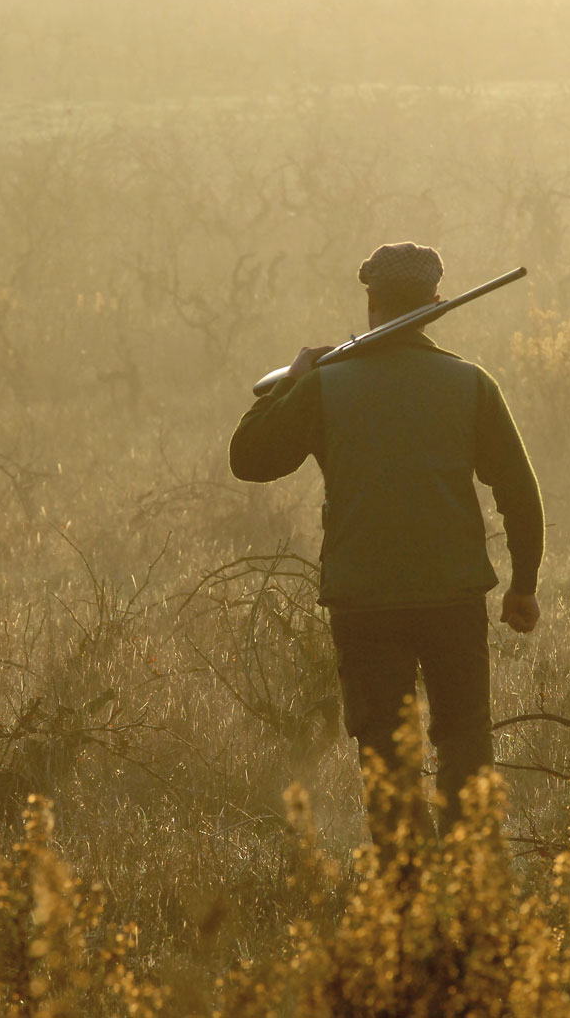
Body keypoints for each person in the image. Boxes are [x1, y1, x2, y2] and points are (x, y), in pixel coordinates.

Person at [228, 242, 544, 839]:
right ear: (436, 304)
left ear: (371, 302)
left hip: (364, 601)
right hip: (452, 597)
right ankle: (472, 889)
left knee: (386, 759)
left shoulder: (324, 387)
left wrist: (291, 383)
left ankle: (406, 906)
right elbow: (520, 493)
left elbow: (248, 459)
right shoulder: (470, 383)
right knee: (465, 743)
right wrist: (522, 586)